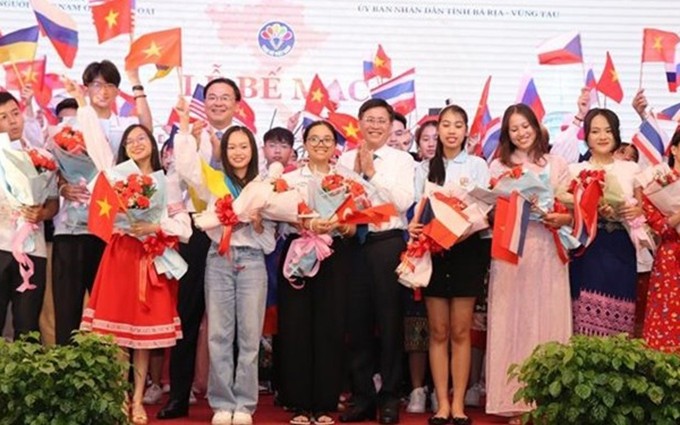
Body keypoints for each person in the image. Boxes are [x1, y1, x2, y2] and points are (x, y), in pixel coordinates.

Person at [69, 77, 190, 425]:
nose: (136, 143)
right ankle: (118, 397)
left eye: (142, 138)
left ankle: (138, 400)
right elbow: (94, 143)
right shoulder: (116, 174)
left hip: (151, 259)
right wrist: (82, 105)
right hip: (120, 258)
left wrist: (155, 227)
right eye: (130, 140)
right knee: (117, 336)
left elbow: (184, 228)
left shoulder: (168, 181)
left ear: (152, 143)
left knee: (143, 338)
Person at [173, 97, 275, 425]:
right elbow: (187, 167)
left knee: (249, 336)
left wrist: (257, 224)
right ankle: (222, 402)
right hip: (219, 260)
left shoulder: (265, 186)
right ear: (224, 151)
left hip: (253, 262)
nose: (238, 152)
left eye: (244, 146)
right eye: (232, 147)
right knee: (218, 334)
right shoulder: (214, 183)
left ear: (253, 150)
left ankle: (244, 405)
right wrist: (186, 128)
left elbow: (270, 243)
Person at [158, 77, 243, 420]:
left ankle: (234, 397)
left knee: (231, 321)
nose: (218, 103)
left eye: (225, 98)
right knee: (188, 315)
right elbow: (176, 181)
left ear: (237, 104)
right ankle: (179, 394)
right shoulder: (190, 136)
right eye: (212, 97)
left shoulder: (243, 141)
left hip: (231, 233)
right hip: (195, 232)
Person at [485, 104, 573, 423]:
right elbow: (490, 212)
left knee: (548, 316)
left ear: (537, 127)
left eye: (526, 126)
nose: (522, 133)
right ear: (507, 134)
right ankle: (515, 400)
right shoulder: (497, 167)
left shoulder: (558, 163)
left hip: (548, 247)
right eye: (514, 129)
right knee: (513, 318)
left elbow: (573, 208)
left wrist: (562, 215)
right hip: (512, 251)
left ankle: (550, 400)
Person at [52, 62, 149, 346]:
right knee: (68, 312)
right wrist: (62, 186)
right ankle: (66, 382)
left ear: (117, 91)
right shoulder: (66, 128)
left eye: (109, 85)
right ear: (86, 88)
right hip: (71, 230)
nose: (103, 91)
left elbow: (147, 135)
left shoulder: (125, 128)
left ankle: (108, 383)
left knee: (110, 314)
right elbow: (51, 172)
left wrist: (137, 81)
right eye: (96, 84)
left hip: (112, 232)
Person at [410, 104, 491, 425]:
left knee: (460, 330)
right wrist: (414, 228)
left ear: (466, 131)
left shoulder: (477, 165)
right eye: (446, 125)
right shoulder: (424, 168)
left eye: (458, 125)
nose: (452, 130)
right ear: (438, 130)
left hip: (467, 251)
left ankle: (459, 403)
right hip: (433, 249)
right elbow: (418, 211)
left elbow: (483, 212)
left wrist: (458, 231)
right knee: (438, 331)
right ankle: (441, 403)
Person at [337, 99, 415, 425]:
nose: (375, 126)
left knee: (389, 322)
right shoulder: (343, 158)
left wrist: (371, 171)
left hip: (386, 244)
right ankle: (363, 396)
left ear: (390, 124)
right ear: (360, 122)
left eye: (381, 121)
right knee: (356, 324)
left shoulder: (401, 159)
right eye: (369, 120)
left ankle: (389, 399)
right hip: (353, 244)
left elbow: (402, 201)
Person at [278, 120, 356, 425]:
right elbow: (279, 218)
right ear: (305, 144)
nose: (321, 144)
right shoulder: (290, 179)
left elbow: (354, 224)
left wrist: (341, 226)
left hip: (333, 255)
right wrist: (305, 224)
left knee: (331, 326)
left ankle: (325, 403)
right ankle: (298, 403)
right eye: (314, 139)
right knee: (296, 326)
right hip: (297, 253)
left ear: (335, 146)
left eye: (327, 140)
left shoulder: (346, 180)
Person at [569, 108, 642, 337]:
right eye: (596, 131)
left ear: (617, 134)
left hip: (621, 248)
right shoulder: (577, 170)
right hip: (588, 249)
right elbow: (568, 208)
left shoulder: (630, 168)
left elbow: (641, 208)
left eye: (608, 131)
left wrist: (632, 210)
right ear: (586, 136)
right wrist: (593, 208)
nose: (602, 136)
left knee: (619, 321)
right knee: (584, 321)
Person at [0, 92, 59, 339]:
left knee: (27, 327)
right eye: (3, 117)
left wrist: (41, 212)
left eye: (15, 113)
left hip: (33, 251)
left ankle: (22, 378)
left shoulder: (42, 157)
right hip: (1, 245)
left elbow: (54, 203)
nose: (13, 121)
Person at [640, 128, 680, 353]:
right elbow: (660, 228)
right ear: (674, 149)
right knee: (667, 316)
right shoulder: (659, 184)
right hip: (670, 259)